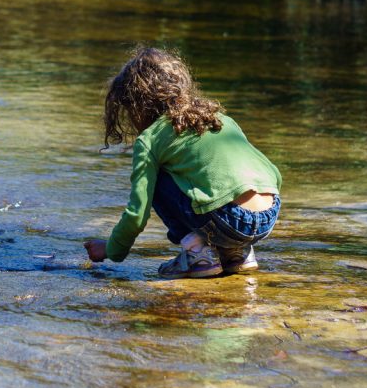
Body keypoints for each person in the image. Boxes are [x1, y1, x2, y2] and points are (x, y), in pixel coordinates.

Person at [84, 47, 282, 279]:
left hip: (228, 221)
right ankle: (236, 253)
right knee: (212, 184)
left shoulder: (151, 139)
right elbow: (272, 174)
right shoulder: (220, 119)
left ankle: (200, 253)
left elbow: (137, 214)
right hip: (269, 215)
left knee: (157, 181)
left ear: (136, 105)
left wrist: (111, 249)